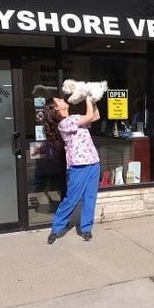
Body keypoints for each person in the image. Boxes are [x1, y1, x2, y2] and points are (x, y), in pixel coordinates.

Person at [43, 94, 100, 244]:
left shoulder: (74, 118)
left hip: (93, 162)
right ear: (56, 108)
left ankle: (86, 228)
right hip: (78, 166)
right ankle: (56, 229)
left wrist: (93, 101)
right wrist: (87, 96)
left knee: (90, 198)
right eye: (59, 100)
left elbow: (95, 116)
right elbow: (88, 116)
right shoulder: (64, 123)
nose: (62, 99)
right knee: (72, 199)